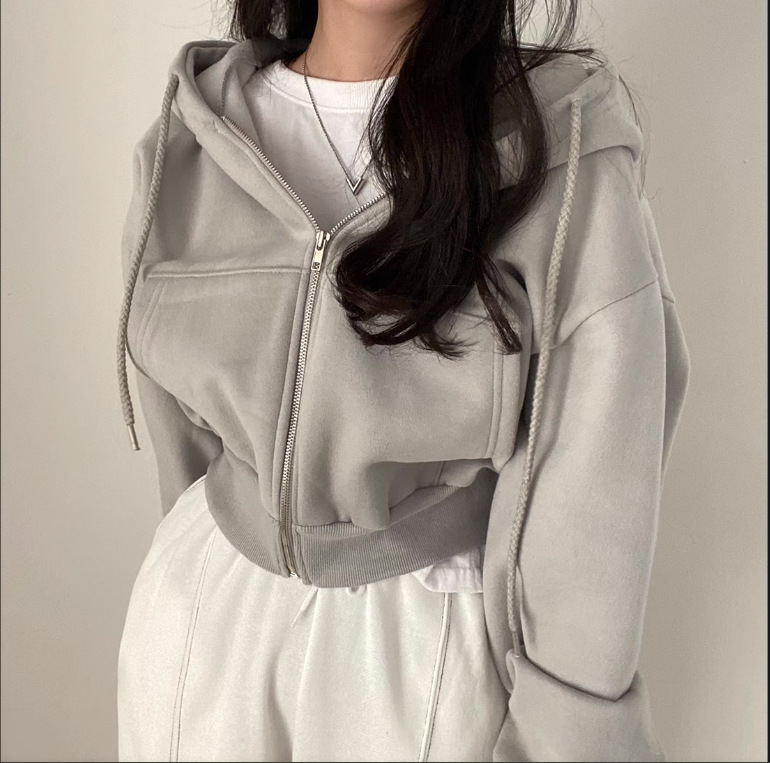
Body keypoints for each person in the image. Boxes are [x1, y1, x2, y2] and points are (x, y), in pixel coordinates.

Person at [115, 0, 691, 760]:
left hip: (424, 645)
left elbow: (596, 470)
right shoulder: (191, 135)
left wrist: (569, 733)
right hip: (200, 621)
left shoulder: (559, 144)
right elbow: (184, 444)